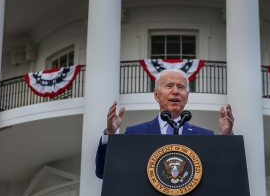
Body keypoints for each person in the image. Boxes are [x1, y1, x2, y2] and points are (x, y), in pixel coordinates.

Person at [95, 68, 234, 178]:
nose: (175, 91)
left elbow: (222, 174)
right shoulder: (135, 133)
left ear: (186, 97)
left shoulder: (205, 136)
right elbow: (104, 172)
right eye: (169, 86)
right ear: (156, 95)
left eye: (181, 87)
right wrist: (110, 134)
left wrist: (226, 138)